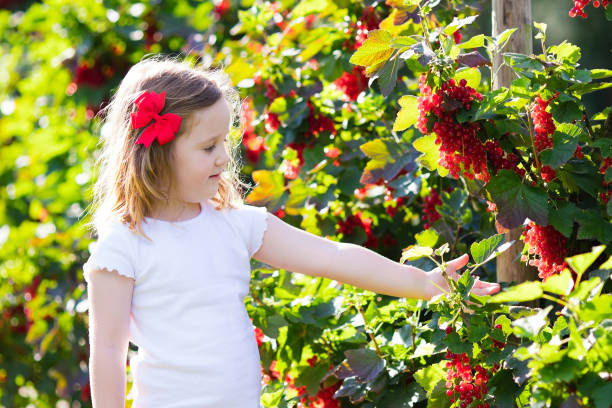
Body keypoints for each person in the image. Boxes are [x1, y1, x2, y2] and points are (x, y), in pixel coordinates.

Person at [82, 54, 500, 408]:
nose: (224, 157)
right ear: (156, 153)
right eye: (208, 147)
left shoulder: (233, 223)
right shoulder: (124, 246)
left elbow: (334, 257)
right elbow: (107, 350)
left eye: (225, 142)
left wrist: (426, 283)